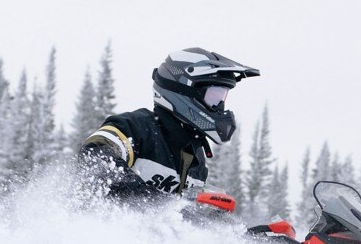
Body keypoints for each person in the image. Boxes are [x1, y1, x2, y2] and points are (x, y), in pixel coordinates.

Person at [79, 48, 259, 201]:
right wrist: (153, 202)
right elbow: (95, 156)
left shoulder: (196, 160)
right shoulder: (135, 127)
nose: (219, 106)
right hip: (95, 235)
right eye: (214, 97)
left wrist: (247, 236)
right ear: (184, 91)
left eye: (222, 98)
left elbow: (188, 224)